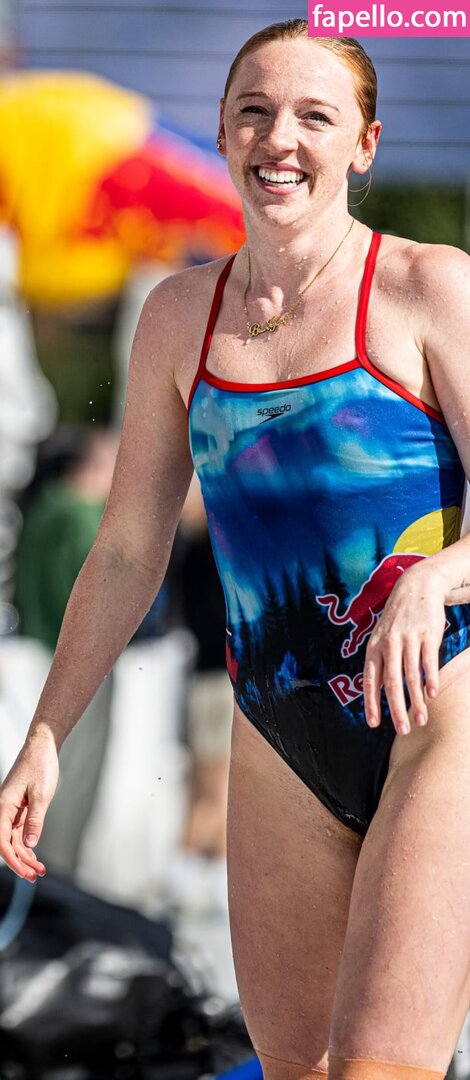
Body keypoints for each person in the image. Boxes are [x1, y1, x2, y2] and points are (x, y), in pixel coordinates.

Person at [0, 19, 469, 1080]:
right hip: (278, 733)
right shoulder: (179, 317)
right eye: (253, 112)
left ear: (365, 143)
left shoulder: (427, 289)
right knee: (296, 1071)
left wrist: (436, 577)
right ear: (220, 131)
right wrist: (45, 736)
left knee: (378, 1069)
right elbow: (128, 551)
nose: (279, 138)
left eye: (314, 116)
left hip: (438, 719)